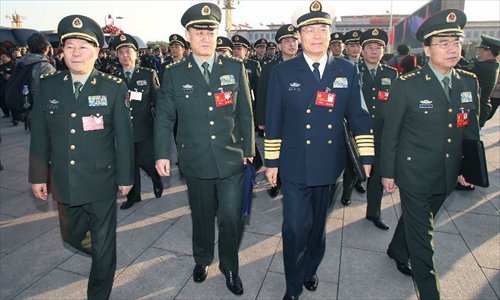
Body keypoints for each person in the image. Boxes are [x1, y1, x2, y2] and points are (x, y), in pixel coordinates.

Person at [264, 2, 374, 299]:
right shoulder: (284, 71)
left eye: (322, 28)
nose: (316, 35)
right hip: (295, 162)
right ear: (298, 35)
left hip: (329, 163)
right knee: (294, 227)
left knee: (317, 228)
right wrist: (271, 161)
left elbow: (359, 116)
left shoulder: (346, 70)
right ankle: (292, 286)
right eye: (309, 29)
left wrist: (367, 156)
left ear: (331, 34)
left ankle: (310, 266)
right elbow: (273, 119)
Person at [29, 14, 134, 300]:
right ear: (61, 50)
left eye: (84, 47)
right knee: (71, 236)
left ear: (97, 52)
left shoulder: (112, 87)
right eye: (70, 46)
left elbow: (123, 137)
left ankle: (99, 284)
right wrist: (38, 176)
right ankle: (104, 254)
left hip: (101, 178)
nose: (76, 53)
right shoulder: (49, 84)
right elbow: (40, 134)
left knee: (103, 243)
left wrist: (126, 177)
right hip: (64, 178)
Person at [154, 2, 254, 296]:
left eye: (210, 32)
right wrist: (162, 153)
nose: (206, 38)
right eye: (199, 32)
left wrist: (249, 147)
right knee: (200, 215)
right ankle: (202, 258)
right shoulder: (174, 73)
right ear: (188, 35)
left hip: (231, 156)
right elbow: (164, 116)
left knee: (232, 217)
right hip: (195, 158)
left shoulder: (235, 67)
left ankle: (230, 265)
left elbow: (245, 113)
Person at [381, 9, 480, 300]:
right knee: (424, 238)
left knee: (418, 221)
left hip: (448, 172)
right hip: (414, 173)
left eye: (456, 42)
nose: (452, 49)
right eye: (444, 43)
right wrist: (388, 171)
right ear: (427, 49)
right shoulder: (407, 84)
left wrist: (469, 167)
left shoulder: (467, 82)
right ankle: (429, 291)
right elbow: (392, 133)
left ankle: (397, 249)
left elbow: (469, 129)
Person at [111, 33, 164, 209]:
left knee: (146, 161)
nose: (125, 56)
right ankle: (134, 196)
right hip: (123, 130)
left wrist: (160, 126)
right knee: (129, 163)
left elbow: (158, 102)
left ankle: (156, 178)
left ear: (136, 54)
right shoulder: (114, 77)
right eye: (121, 53)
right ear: (117, 56)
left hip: (144, 127)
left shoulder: (148, 74)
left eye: (128, 52)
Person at [356, 28, 398, 230]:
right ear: (362, 50)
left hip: (381, 133)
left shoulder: (391, 74)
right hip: (355, 132)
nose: (374, 51)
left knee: (377, 174)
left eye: (378, 48)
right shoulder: (352, 70)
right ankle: (342, 196)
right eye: (370, 48)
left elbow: (398, 105)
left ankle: (374, 213)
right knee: (347, 169)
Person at [256, 23, 298, 198]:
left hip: (296, 119)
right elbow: (262, 94)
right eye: (286, 41)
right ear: (279, 46)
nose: (291, 44)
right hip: (276, 118)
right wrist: (261, 120)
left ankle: (290, 181)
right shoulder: (270, 67)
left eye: (294, 40)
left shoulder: (305, 64)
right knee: (275, 151)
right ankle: (275, 181)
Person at [340, 28, 366, 205]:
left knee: (356, 157)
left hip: (362, 120)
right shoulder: (338, 67)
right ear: (345, 47)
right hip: (342, 120)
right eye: (351, 45)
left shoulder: (366, 67)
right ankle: (344, 189)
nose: (355, 48)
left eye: (358, 45)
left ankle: (351, 187)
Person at [13, 32, 56, 129]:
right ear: (46, 48)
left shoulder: (21, 63)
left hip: (25, 108)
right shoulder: (45, 67)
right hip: (41, 113)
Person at [0, 52, 15, 118]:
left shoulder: (13, 64)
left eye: (4, 57)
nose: (2, 59)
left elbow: (16, 74)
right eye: (1, 57)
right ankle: (6, 113)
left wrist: (10, 76)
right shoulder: (1, 65)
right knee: (2, 99)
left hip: (11, 85)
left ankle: (15, 115)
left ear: (9, 58)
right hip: (2, 85)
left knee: (11, 100)